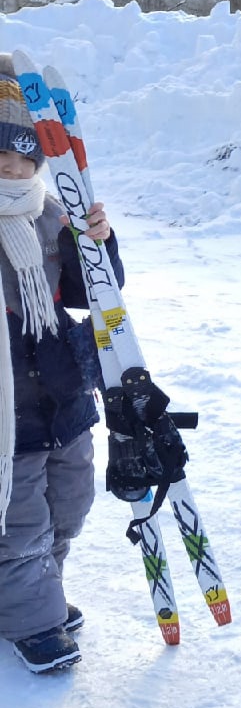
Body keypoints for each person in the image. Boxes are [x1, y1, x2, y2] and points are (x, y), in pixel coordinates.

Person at [1, 59, 121, 674]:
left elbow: (92, 290)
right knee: (19, 522)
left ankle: (38, 588)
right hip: (7, 414)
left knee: (69, 502)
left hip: (64, 397)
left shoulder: (49, 214)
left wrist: (95, 241)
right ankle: (33, 619)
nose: (11, 166)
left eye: (24, 155)